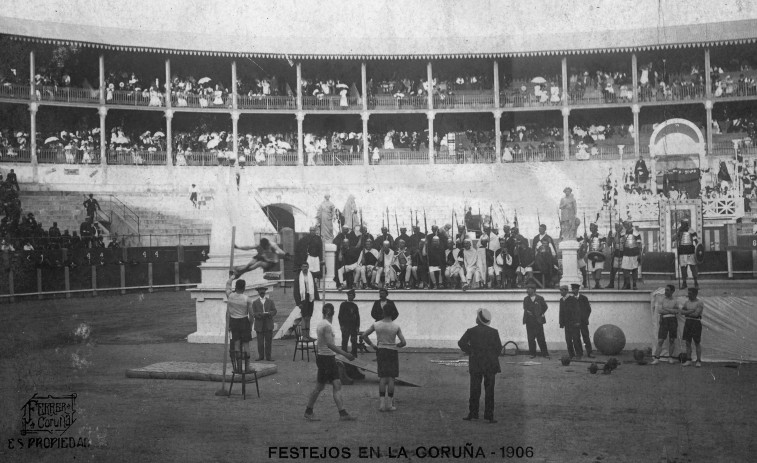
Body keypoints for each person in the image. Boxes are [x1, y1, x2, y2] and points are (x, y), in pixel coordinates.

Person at [304, 303, 357, 422]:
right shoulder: (326, 326)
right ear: (330, 313)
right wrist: (345, 354)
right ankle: (308, 411)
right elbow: (330, 344)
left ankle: (343, 413)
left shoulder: (322, 324)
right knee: (319, 386)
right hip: (325, 359)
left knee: (337, 384)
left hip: (327, 358)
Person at [458, 308, 502, 424]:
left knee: (474, 389)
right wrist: (491, 356)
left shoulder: (471, 331)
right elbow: (499, 348)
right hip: (490, 364)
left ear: (478, 319)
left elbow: (461, 343)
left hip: (476, 363)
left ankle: (473, 413)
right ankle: (489, 416)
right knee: (489, 390)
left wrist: (470, 351)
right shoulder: (494, 332)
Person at [361, 303, 407, 411]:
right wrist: (396, 345)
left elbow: (364, 335)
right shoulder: (396, 326)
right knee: (391, 378)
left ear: (383, 312)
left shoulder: (377, 324)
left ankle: (381, 404)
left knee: (382, 377)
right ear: (393, 313)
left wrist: (372, 345)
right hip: (392, 352)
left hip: (381, 351)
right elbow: (403, 342)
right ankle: (390, 405)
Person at [225, 274, 255, 372]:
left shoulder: (230, 296)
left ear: (236, 287)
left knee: (237, 344)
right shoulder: (247, 299)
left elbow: (227, 284)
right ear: (244, 288)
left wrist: (232, 277)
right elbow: (252, 315)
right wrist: (250, 325)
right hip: (243, 321)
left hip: (234, 322)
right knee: (246, 345)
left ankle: (238, 367)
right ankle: (247, 367)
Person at [651, 285, 680, 365]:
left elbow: (677, 311)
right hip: (664, 320)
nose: (665, 292)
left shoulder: (675, 300)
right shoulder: (662, 299)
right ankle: (657, 358)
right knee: (660, 340)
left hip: (673, 320)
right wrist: (671, 310)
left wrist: (667, 310)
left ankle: (670, 357)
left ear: (672, 291)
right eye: (665, 290)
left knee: (672, 340)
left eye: (667, 290)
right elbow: (660, 311)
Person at [523, 284, 550, 358]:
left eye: (529, 288)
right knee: (530, 338)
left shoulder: (540, 298)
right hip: (529, 321)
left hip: (538, 321)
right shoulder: (526, 299)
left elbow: (545, 307)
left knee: (541, 338)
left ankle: (545, 353)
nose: (527, 290)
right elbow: (525, 308)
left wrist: (540, 314)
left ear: (533, 290)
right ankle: (532, 353)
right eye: (527, 289)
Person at [293, 262, 319, 339]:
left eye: (306, 267)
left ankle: (308, 335)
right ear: (301, 267)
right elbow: (296, 291)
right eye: (303, 267)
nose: (305, 268)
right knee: (304, 317)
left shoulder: (310, 276)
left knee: (309, 317)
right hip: (303, 298)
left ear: (308, 267)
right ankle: (304, 336)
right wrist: (298, 303)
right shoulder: (298, 277)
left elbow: (314, 287)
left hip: (310, 297)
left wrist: (316, 297)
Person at [251, 285, 277, 361]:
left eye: (263, 292)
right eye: (260, 292)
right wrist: (259, 314)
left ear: (265, 292)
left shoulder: (270, 301)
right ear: (258, 293)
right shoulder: (255, 302)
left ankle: (268, 356)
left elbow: (274, 311)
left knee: (268, 341)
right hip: (259, 324)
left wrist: (269, 313)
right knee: (260, 342)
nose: (262, 293)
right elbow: (253, 313)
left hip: (268, 323)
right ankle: (261, 356)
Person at [680, 287, 704, 367]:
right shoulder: (687, 302)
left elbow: (696, 314)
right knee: (687, 342)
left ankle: (698, 361)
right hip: (688, 323)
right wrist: (690, 311)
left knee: (697, 342)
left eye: (690, 293)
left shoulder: (699, 302)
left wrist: (687, 313)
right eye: (688, 293)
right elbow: (682, 312)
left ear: (695, 294)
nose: (688, 295)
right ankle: (689, 360)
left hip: (696, 323)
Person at [559, 284, 583, 359]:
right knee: (568, 340)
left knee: (576, 339)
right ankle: (571, 354)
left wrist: (578, 321)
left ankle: (579, 354)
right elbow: (561, 312)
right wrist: (561, 322)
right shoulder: (561, 300)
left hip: (574, 323)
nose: (561, 292)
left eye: (562, 290)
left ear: (566, 291)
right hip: (567, 324)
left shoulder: (573, 299)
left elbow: (578, 311)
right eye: (560, 290)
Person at [571, 283, 594, 358]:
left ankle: (590, 352)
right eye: (572, 289)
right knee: (576, 338)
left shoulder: (584, 298)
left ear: (578, 289)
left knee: (586, 337)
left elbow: (588, 310)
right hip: (574, 323)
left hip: (583, 322)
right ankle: (579, 353)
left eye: (574, 289)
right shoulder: (570, 299)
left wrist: (584, 319)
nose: (573, 290)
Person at [676, 220, 699, 289]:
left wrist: (698, 247)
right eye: (682, 224)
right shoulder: (679, 231)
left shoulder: (691, 230)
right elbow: (675, 239)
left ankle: (696, 282)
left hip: (690, 251)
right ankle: (684, 283)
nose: (683, 225)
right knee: (683, 268)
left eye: (684, 224)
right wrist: (676, 235)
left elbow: (696, 240)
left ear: (687, 224)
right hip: (682, 251)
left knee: (693, 267)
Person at [621, 221, 643, 290]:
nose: (626, 226)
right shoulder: (623, 233)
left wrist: (639, 254)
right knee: (625, 269)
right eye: (625, 225)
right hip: (626, 253)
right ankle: (627, 284)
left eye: (627, 224)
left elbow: (639, 245)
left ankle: (634, 284)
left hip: (634, 253)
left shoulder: (636, 233)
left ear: (630, 224)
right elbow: (621, 243)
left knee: (634, 269)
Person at [585, 223, 606, 289]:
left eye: (593, 227)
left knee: (598, 268)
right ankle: (596, 284)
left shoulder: (601, 236)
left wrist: (596, 251)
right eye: (590, 227)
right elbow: (586, 245)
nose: (591, 229)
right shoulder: (589, 236)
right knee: (592, 270)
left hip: (599, 254)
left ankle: (598, 283)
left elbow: (602, 246)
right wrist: (585, 239)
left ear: (596, 228)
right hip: (591, 255)